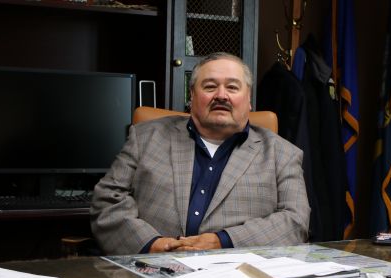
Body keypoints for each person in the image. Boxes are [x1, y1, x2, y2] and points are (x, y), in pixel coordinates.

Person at [90, 52, 310, 255]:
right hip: (152, 272)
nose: (221, 95)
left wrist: (222, 241)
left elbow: (295, 220)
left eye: (232, 88)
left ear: (249, 99)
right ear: (192, 96)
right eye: (210, 86)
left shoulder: (282, 154)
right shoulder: (145, 137)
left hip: (238, 276)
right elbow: (107, 201)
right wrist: (152, 245)